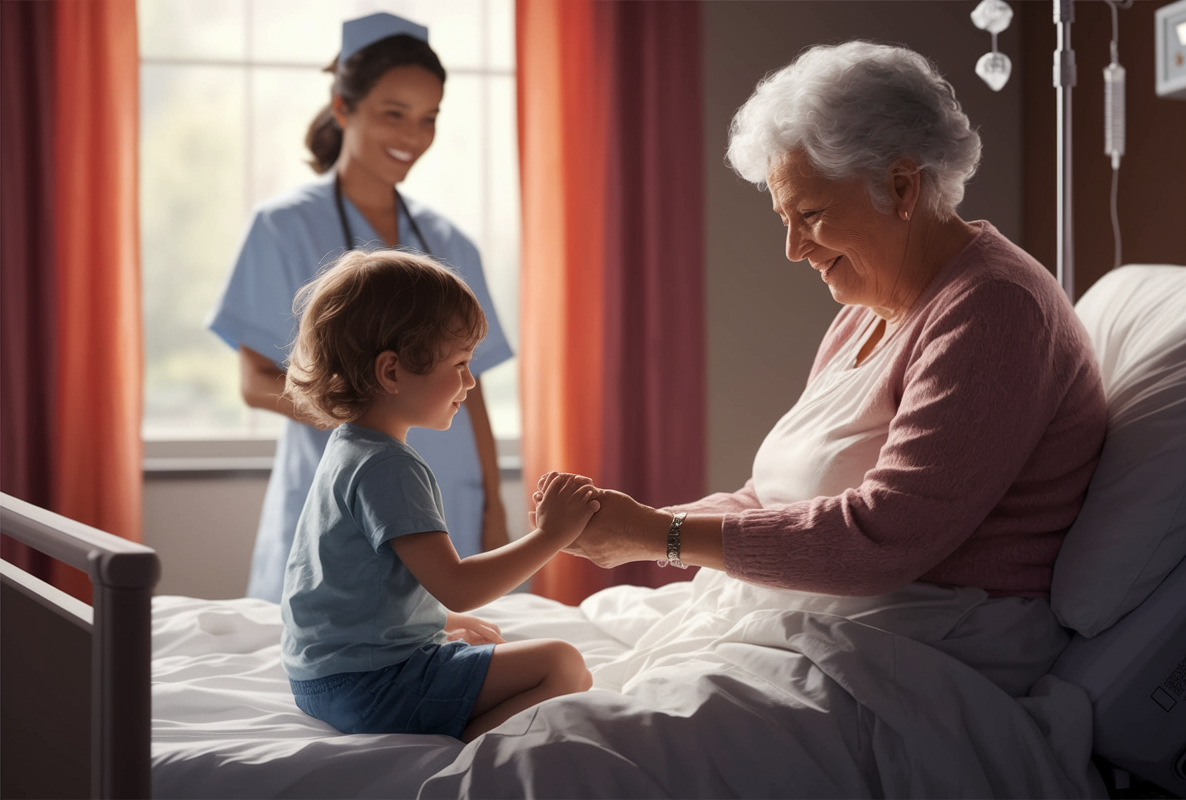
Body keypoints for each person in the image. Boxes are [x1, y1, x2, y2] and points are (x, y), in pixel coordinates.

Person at [556, 41, 1108, 696]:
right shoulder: (869, 308)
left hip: (927, 644)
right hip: (832, 616)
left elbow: (883, 539)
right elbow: (775, 499)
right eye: (784, 219)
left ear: (901, 187)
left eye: (811, 216)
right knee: (514, 666)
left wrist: (663, 536)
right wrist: (635, 526)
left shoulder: (995, 310)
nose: (794, 250)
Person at [207, 12, 513, 604]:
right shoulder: (281, 227)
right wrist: (370, 415)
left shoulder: (450, 244)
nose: (412, 135)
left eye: (428, 118)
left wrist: (495, 509)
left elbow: (474, 398)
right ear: (343, 108)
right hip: (340, 487)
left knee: (447, 647)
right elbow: (252, 383)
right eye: (393, 113)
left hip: (452, 496)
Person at [279, 249, 594, 742]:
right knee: (563, 665)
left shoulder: (348, 446)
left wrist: (436, 620)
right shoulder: (390, 466)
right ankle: (456, 754)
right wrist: (551, 535)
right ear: (392, 372)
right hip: (370, 688)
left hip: (319, 678)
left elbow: (355, 585)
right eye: (461, 363)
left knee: (522, 654)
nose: (470, 381)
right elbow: (459, 584)